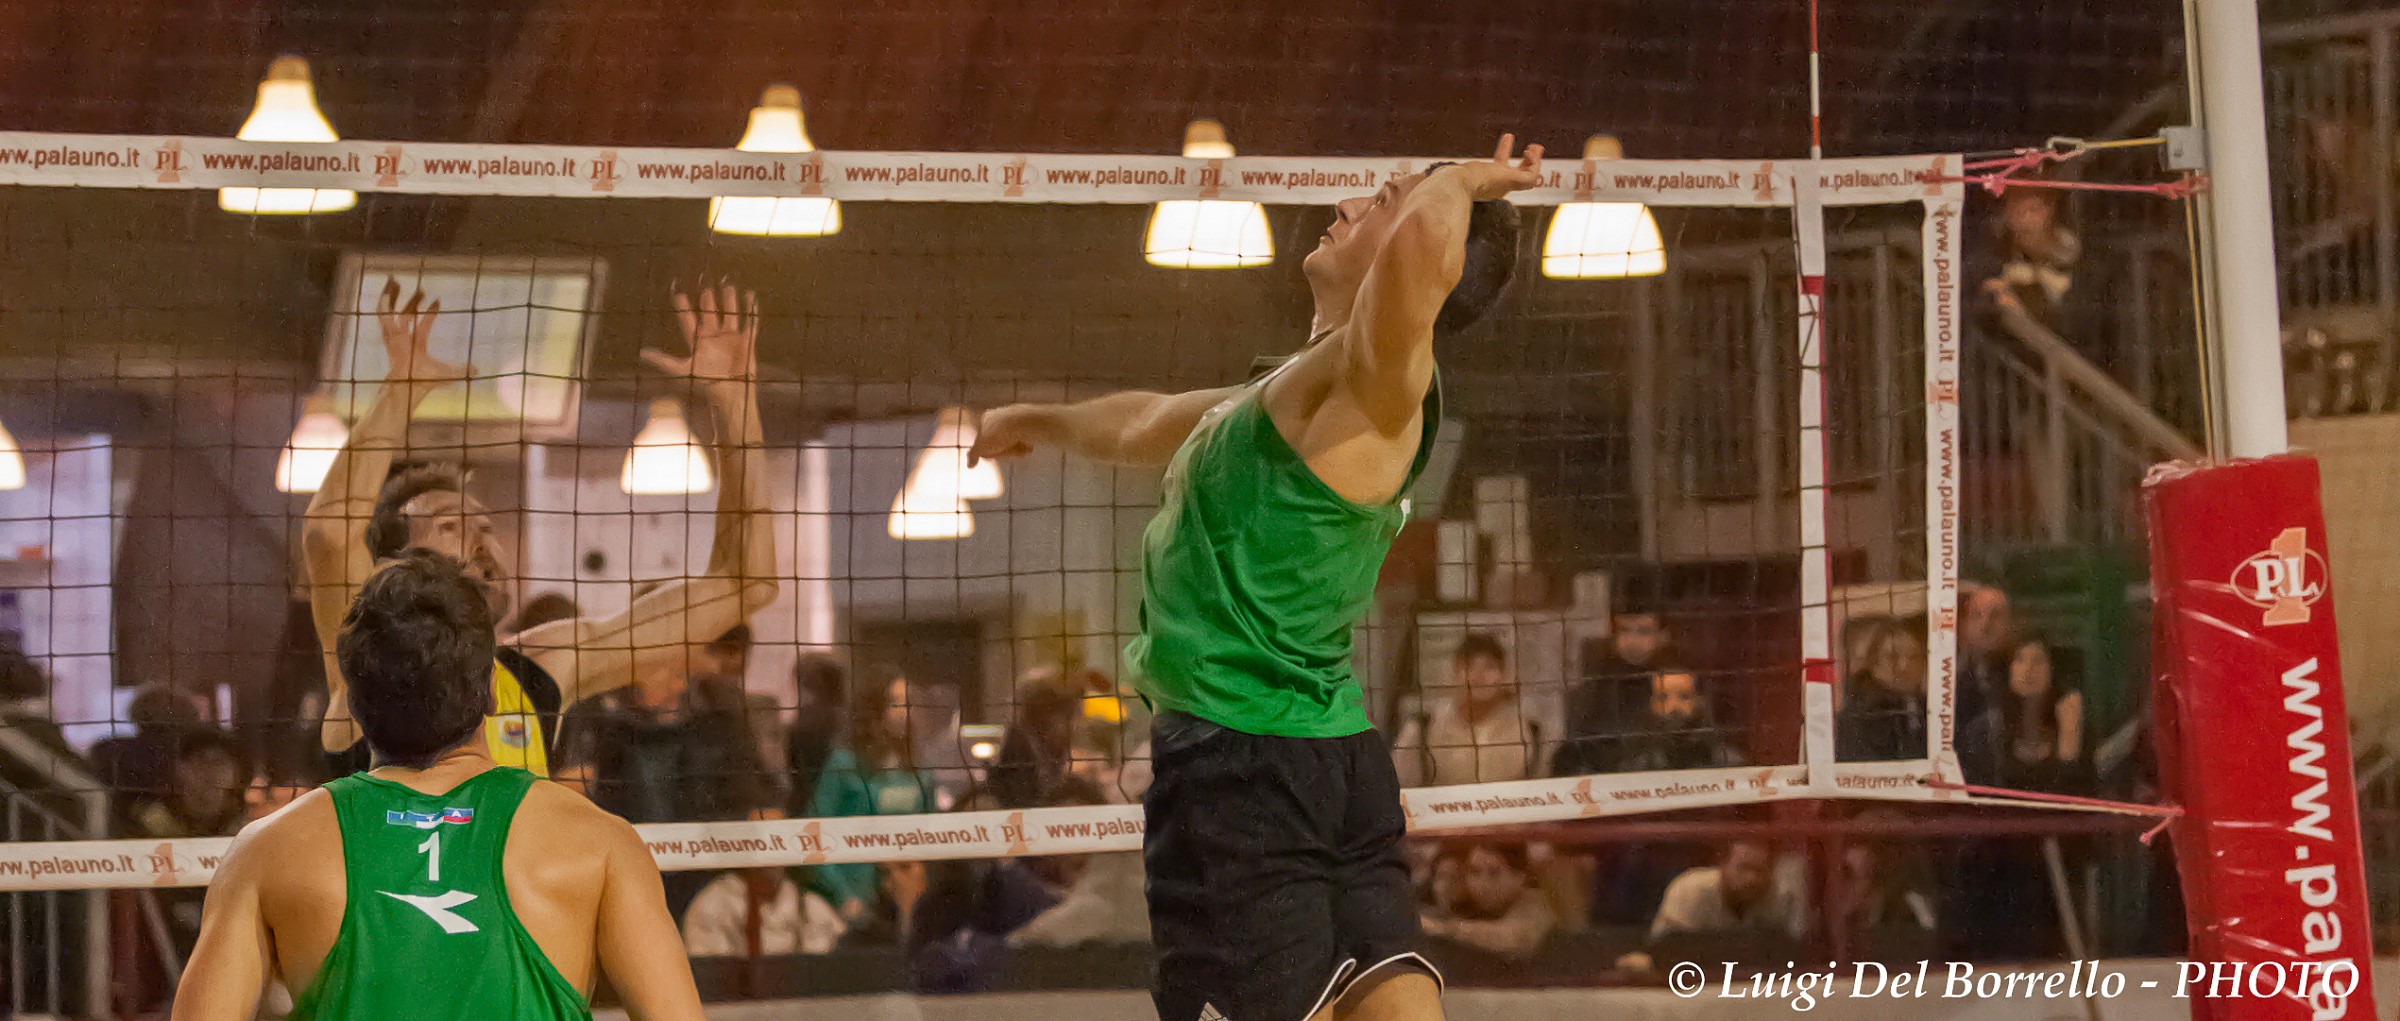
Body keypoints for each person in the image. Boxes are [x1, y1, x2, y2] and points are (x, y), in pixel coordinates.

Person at [973, 137, 1541, 1021]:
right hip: (1324, 754)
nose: (1355, 201)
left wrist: (1459, 185)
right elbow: (1150, 422)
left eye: (1384, 200)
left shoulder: (1381, 386)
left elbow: (1420, 279)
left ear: (1415, 251)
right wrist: (1038, 420)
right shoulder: (1290, 385)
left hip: (1239, 762)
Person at [170, 550, 703, 1021]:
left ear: (353, 704)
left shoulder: (266, 851)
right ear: (495, 693)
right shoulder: (600, 844)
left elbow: (327, 534)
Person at [299, 280, 777, 776]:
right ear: (391, 569)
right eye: (450, 526)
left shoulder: (543, 666)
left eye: (485, 525)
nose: (482, 540)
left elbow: (745, 584)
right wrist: (400, 394)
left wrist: (734, 403)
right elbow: (330, 533)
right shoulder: (366, 672)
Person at [807, 669, 938, 924]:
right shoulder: (843, 764)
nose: (905, 711)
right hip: (852, 908)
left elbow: (934, 841)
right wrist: (844, 897)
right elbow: (813, 836)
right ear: (875, 711)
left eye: (909, 703)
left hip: (908, 905)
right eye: (896, 703)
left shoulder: (919, 772)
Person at [681, 809, 846, 958]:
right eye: (762, 842)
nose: (771, 850)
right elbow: (710, 973)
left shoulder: (809, 906)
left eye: (780, 841)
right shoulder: (714, 904)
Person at [1391, 632, 1540, 786]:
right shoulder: (1423, 727)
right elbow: (1397, 790)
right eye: (1469, 666)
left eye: (1489, 667)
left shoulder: (1529, 730)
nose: (1478, 676)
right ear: (1455, 671)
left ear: (1504, 674)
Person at [1552, 602, 1673, 777]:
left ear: (1664, 636)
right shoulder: (1595, 685)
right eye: (1624, 630)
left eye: (1644, 631)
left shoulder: (1679, 682)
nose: (1632, 641)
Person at [1643, 840, 1808, 943]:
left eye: (1761, 870)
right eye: (1744, 868)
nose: (1752, 878)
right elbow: (1669, 949)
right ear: (1722, 865)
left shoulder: (1776, 897)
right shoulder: (1691, 889)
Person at [1418, 842, 1555, 959]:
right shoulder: (1467, 902)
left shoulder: (1536, 902)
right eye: (1475, 872)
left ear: (1519, 876)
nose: (1483, 884)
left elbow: (1517, 937)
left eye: (1494, 873)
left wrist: (1445, 929)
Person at [1996, 635, 2085, 793]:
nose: (2028, 669)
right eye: (2020, 659)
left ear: (2052, 670)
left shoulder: (2069, 721)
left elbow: (2080, 793)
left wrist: (2068, 739)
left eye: (2038, 661)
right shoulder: (1990, 724)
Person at [1612, 668, 1746, 773]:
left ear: (1699, 701)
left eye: (1684, 696)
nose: (1674, 707)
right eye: (1663, 697)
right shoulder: (1637, 762)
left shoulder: (1724, 757)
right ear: (1651, 704)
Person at [1836, 617, 1930, 763]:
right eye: (1892, 657)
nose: (1903, 666)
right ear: (1873, 662)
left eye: (1914, 657)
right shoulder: (1858, 718)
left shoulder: (1932, 709)